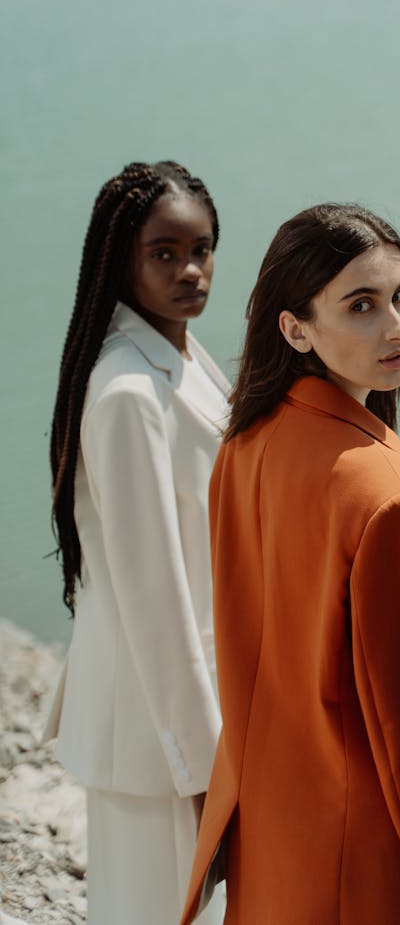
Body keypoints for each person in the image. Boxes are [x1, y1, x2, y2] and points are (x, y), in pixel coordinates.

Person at [180, 203, 400, 925]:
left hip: (272, 832)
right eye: (362, 305)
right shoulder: (386, 499)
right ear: (295, 327)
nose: (396, 325)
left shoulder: (245, 447)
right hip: (364, 858)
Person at [45, 161, 230, 925]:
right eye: (164, 252)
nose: (190, 269)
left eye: (203, 248)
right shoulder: (127, 394)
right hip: (159, 739)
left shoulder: (184, 356)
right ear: (120, 258)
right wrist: (205, 765)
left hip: (181, 721)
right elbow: (154, 596)